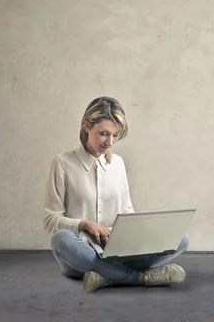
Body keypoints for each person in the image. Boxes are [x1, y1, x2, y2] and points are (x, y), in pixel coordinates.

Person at [43, 96, 189, 293]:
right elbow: (50, 219)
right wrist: (85, 224)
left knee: (181, 238)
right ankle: (140, 279)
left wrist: (139, 231)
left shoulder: (118, 164)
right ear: (87, 126)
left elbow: (127, 210)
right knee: (60, 239)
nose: (110, 142)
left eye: (115, 135)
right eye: (103, 134)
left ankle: (107, 277)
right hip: (81, 256)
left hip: (117, 252)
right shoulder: (62, 163)